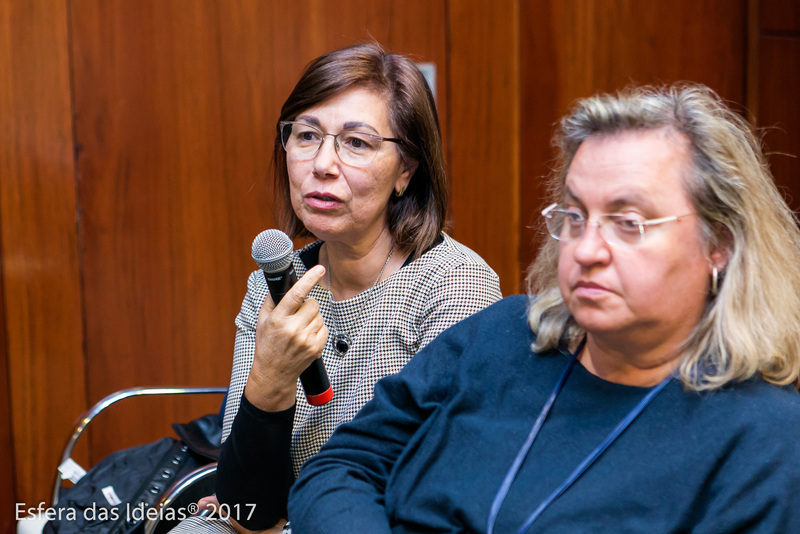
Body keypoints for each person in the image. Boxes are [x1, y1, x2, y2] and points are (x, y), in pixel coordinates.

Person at [288, 83, 800, 533]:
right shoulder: (500, 334)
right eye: (575, 216)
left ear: (720, 245)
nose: (587, 249)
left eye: (628, 222)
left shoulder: (764, 438)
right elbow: (340, 469)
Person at [168, 42, 501, 534]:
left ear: (406, 170)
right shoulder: (273, 285)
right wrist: (272, 377)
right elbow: (247, 508)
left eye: (356, 143)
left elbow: (428, 492)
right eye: (306, 135)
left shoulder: (454, 285)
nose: (322, 164)